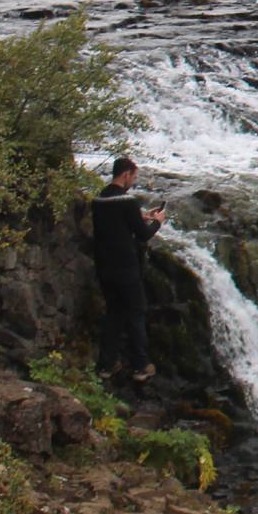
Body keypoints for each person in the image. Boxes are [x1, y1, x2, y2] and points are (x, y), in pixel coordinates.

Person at [91, 155, 166, 382]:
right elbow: (143, 235)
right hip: (126, 268)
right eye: (134, 177)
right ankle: (141, 365)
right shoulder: (127, 202)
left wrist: (140, 216)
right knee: (135, 314)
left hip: (105, 267)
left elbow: (116, 223)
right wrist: (157, 222)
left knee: (113, 314)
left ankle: (107, 364)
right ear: (125, 174)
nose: (133, 181)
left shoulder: (98, 199)